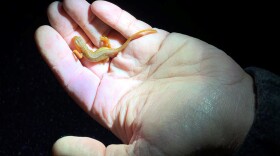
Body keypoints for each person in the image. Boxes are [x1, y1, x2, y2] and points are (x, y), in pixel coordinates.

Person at [35, 0, 279, 155]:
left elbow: (81, 53)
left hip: (105, 53)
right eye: (77, 43)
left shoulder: (83, 50)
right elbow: (84, 52)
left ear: (79, 44)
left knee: (108, 47)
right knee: (107, 46)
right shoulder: (90, 50)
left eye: (77, 43)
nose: (77, 43)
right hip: (104, 52)